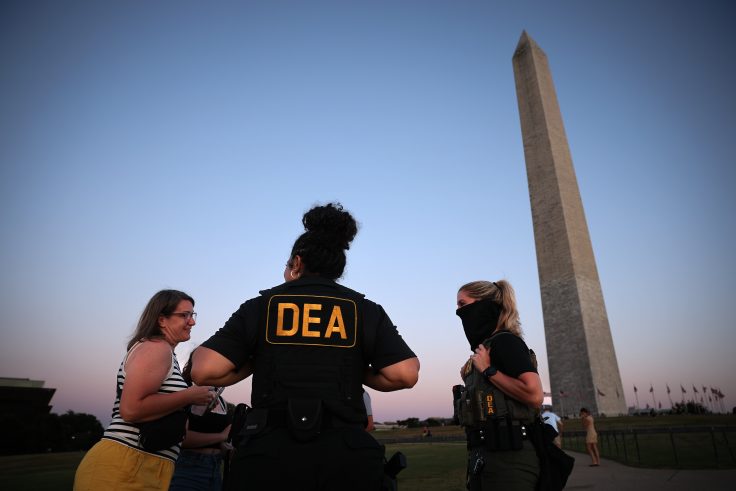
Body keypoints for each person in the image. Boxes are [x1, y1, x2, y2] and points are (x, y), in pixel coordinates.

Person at [191, 202, 420, 491]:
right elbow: (405, 374)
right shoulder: (364, 309)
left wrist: (257, 358)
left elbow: (203, 370)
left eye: (287, 264)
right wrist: (355, 366)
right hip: (346, 459)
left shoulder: (262, 306)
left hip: (269, 458)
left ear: (297, 263)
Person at [74, 290, 217, 491]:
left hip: (144, 466)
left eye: (192, 315)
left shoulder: (166, 353)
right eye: (184, 315)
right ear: (161, 320)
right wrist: (188, 396)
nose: (192, 322)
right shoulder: (156, 347)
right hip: (123, 466)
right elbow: (131, 409)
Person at [454, 280, 544, 491]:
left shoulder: (505, 342)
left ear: (484, 305)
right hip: (487, 455)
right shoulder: (486, 348)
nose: (458, 312)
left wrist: (488, 370)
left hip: (511, 459)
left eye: (462, 304)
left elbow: (534, 394)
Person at [169, 352, 233, 491]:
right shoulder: (185, 392)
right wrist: (221, 436)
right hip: (188, 470)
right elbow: (181, 438)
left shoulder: (221, 400)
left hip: (215, 470)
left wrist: (226, 448)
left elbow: (219, 440)